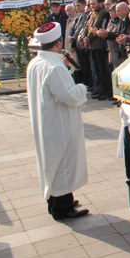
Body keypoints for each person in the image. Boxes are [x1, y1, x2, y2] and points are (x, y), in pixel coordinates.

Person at [27, 22, 90, 220]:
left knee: (52, 162)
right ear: (58, 42)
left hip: (47, 121)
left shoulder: (36, 62)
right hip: (60, 124)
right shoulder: (54, 67)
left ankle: (58, 200)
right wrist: (82, 88)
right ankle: (61, 208)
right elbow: (69, 95)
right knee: (63, 163)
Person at [84, 0, 111, 100]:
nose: (92, 6)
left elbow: (96, 26)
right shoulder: (93, 13)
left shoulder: (102, 13)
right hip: (92, 45)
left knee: (101, 70)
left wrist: (88, 38)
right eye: (91, 4)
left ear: (101, 3)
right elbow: (88, 27)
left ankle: (104, 91)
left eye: (94, 4)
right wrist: (85, 38)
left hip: (98, 45)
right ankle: (99, 88)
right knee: (96, 69)